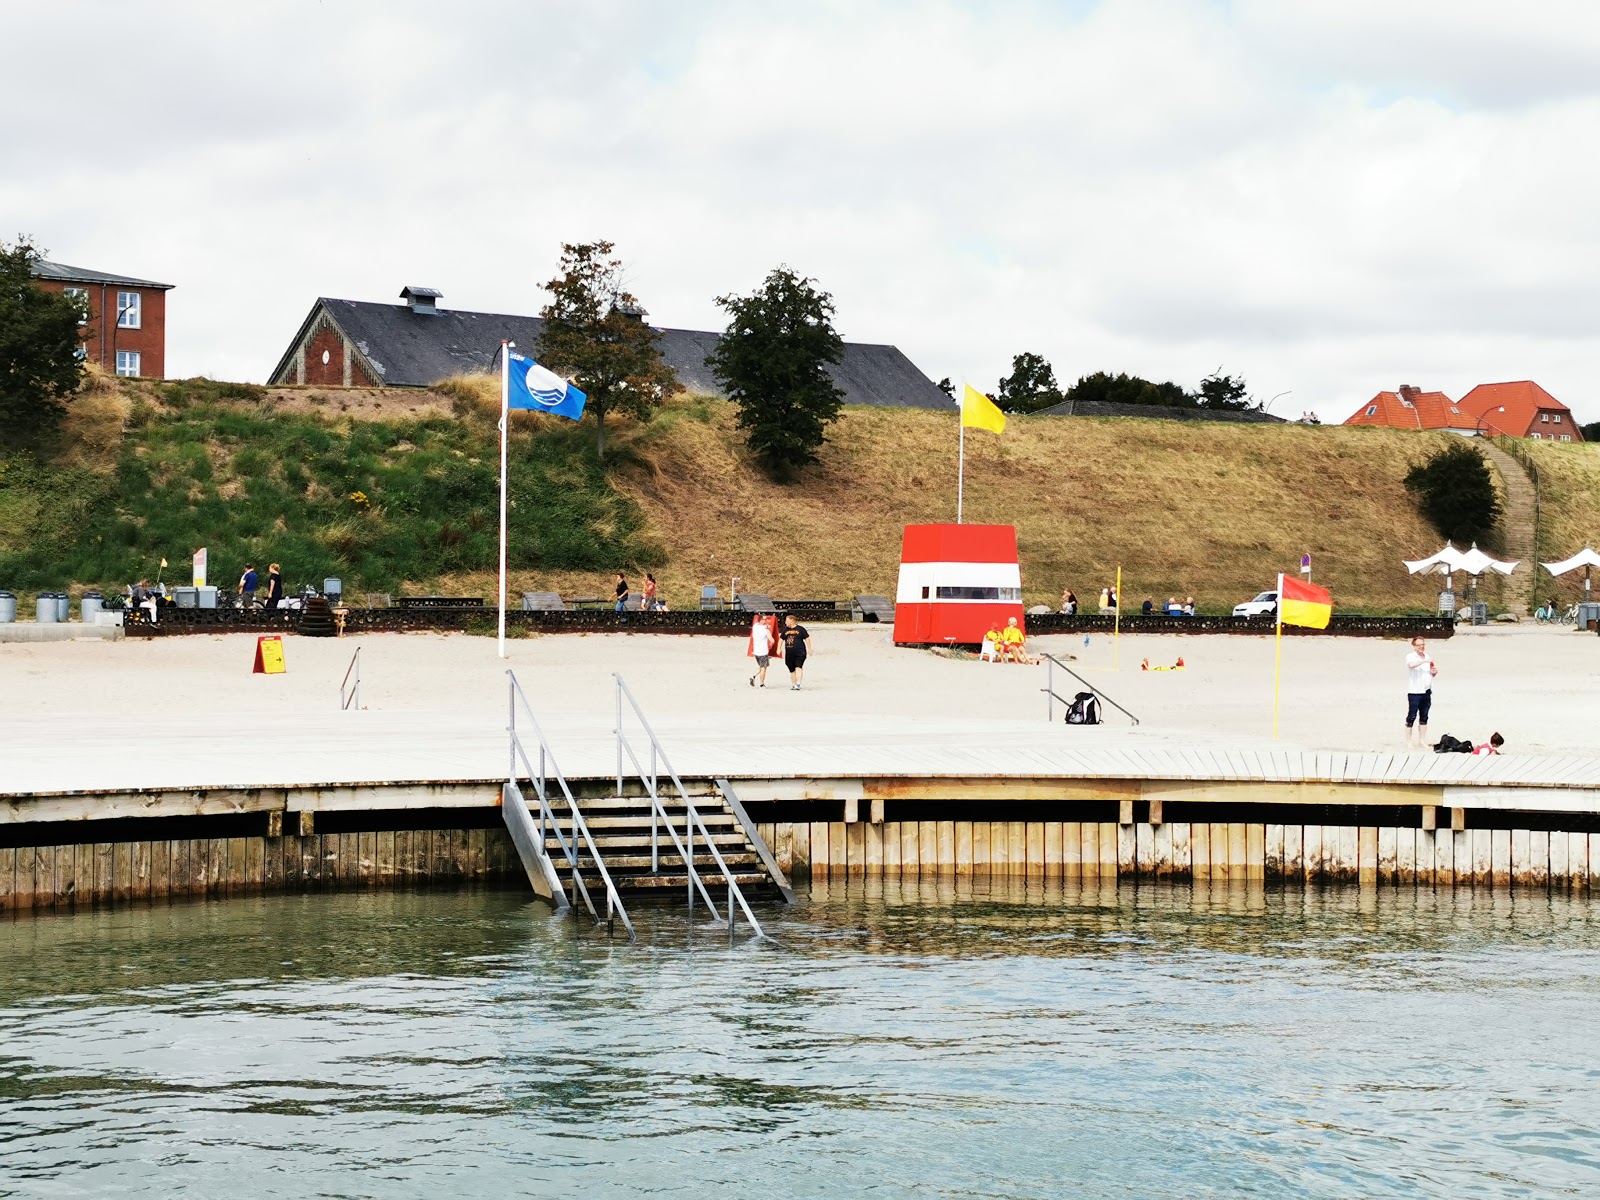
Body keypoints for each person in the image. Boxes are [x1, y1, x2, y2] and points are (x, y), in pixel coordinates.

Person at [1405, 636, 1438, 748]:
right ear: (1414, 646)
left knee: (1424, 716)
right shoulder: (1410, 656)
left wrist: (1434, 672)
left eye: (1423, 644)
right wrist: (1423, 661)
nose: (1421, 647)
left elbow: (1430, 672)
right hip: (1415, 691)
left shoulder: (1428, 657)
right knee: (1412, 715)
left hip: (1426, 690)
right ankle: (1409, 741)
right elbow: (1411, 665)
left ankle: (1422, 740)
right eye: (1419, 645)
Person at [779, 614, 811, 690]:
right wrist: (778, 648)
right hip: (789, 653)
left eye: (787, 621)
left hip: (800, 652)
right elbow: (781, 639)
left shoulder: (801, 629)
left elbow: (807, 638)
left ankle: (798, 684)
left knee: (798, 667)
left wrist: (809, 648)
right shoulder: (785, 630)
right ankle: (794, 684)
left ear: (792, 621)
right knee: (791, 669)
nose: (785, 623)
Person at [748, 614, 775, 688]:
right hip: (763, 651)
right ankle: (761, 684)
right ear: (761, 620)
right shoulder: (765, 631)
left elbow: (759, 624)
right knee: (764, 668)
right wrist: (772, 643)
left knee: (761, 666)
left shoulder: (755, 626)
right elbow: (771, 639)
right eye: (764, 619)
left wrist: (766, 626)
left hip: (756, 651)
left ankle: (753, 676)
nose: (765, 621)